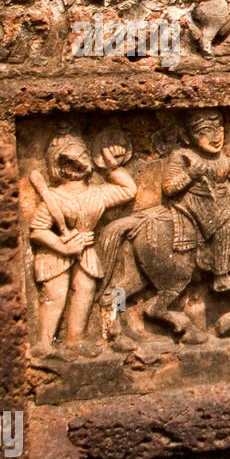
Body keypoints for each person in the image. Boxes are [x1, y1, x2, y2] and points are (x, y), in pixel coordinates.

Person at [30, 131, 135, 350]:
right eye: (70, 162)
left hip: (85, 249)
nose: (79, 164)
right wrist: (63, 246)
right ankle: (44, 344)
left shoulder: (96, 194)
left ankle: (74, 340)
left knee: (85, 289)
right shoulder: (55, 197)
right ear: (59, 168)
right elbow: (38, 230)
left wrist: (112, 168)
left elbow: (128, 190)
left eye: (83, 157)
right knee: (56, 294)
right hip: (55, 253)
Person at [163, 109, 230, 293]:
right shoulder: (183, 156)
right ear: (187, 136)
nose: (215, 137)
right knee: (224, 225)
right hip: (195, 202)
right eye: (205, 130)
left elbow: (225, 168)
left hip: (222, 198)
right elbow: (169, 187)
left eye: (219, 128)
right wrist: (190, 174)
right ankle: (220, 276)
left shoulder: (220, 157)